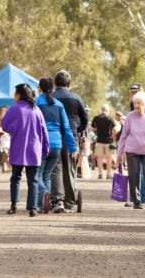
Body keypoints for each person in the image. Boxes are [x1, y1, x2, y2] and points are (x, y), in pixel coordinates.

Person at [1, 83, 49, 217]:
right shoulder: (37, 111)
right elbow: (44, 132)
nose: (14, 96)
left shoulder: (14, 109)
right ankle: (32, 208)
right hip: (34, 151)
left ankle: (13, 205)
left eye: (15, 93)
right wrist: (45, 149)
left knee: (15, 178)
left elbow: (4, 125)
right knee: (32, 180)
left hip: (18, 150)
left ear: (19, 95)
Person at [35, 77, 77, 214]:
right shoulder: (58, 104)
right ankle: (43, 205)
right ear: (51, 88)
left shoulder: (37, 104)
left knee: (36, 175)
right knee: (46, 175)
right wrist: (72, 147)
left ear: (39, 89)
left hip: (42, 144)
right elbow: (66, 128)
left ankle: (44, 196)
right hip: (57, 145)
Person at [117, 91, 145, 209]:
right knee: (133, 174)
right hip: (132, 151)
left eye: (139, 103)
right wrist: (119, 153)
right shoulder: (130, 116)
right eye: (135, 103)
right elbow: (123, 136)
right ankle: (136, 201)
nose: (137, 105)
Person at [52, 69, 87, 212]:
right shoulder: (76, 98)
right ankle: (70, 201)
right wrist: (78, 130)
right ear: (69, 83)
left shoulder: (50, 98)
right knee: (70, 169)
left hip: (54, 137)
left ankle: (57, 200)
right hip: (71, 136)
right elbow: (85, 119)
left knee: (56, 169)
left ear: (55, 83)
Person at [91, 104, 115, 180]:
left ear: (101, 110)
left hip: (99, 141)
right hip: (108, 141)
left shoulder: (96, 118)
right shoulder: (110, 118)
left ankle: (100, 174)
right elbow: (114, 129)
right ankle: (108, 174)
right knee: (109, 158)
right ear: (107, 111)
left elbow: (93, 128)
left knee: (100, 158)